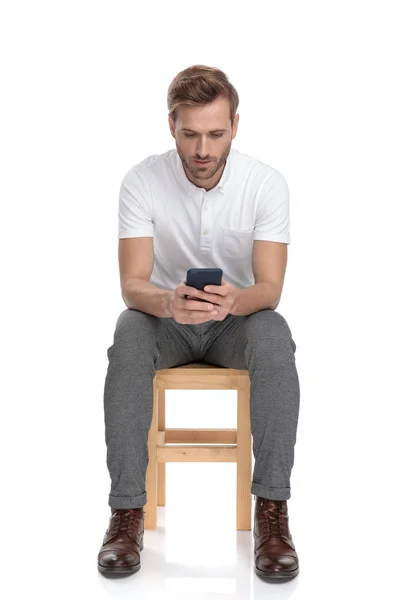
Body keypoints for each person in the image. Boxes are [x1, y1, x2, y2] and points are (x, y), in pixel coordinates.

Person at [97, 64, 301, 582]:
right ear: (172, 127)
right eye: (190, 134)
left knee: (276, 335)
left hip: (236, 323)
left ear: (236, 125)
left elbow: (269, 290)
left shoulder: (266, 184)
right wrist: (168, 303)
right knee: (127, 331)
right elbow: (132, 284)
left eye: (215, 133)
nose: (203, 150)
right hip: (165, 321)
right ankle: (126, 512)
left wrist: (235, 301)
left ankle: (272, 511)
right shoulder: (142, 180)